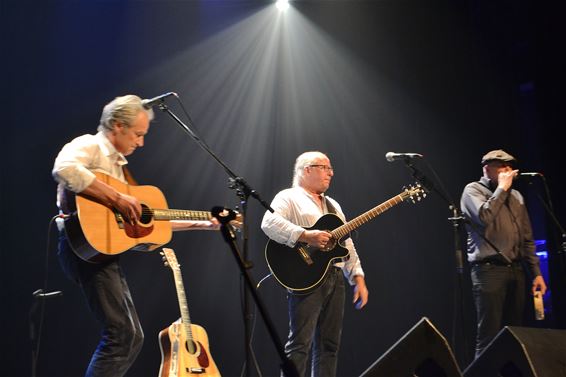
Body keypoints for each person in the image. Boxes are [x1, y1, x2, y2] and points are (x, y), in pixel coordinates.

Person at [52, 95, 218, 377]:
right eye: (138, 134)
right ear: (117, 125)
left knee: (132, 336)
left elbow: (148, 222)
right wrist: (116, 197)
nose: (140, 143)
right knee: (122, 335)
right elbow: (64, 169)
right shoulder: (89, 145)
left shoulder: (118, 168)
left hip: (102, 253)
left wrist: (202, 224)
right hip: (81, 247)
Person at [261, 151, 369, 377]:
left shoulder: (334, 205)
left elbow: (346, 244)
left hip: (336, 277)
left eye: (331, 169)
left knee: (329, 346)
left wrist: (357, 278)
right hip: (305, 276)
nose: (330, 173)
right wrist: (306, 235)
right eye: (324, 167)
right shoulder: (288, 197)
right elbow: (269, 223)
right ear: (306, 169)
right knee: (300, 344)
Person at [460, 149, 547, 358]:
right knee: (489, 337)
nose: (508, 170)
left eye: (509, 166)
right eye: (502, 167)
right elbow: (484, 217)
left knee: (514, 336)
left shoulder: (516, 196)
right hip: (489, 271)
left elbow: (526, 237)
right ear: (487, 169)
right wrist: (501, 189)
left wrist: (536, 272)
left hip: (516, 270)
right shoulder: (473, 190)